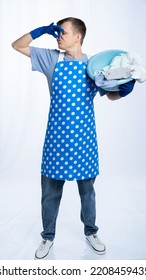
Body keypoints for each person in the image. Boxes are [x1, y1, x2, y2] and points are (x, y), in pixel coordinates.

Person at [12, 17, 135, 259]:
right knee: (50, 193)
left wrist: (122, 91)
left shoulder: (95, 66)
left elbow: (109, 96)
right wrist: (39, 31)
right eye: (56, 32)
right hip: (56, 142)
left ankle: (91, 232)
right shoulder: (51, 59)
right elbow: (17, 45)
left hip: (84, 141)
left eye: (62, 32)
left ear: (78, 37)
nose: (58, 36)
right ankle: (47, 237)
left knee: (87, 191)